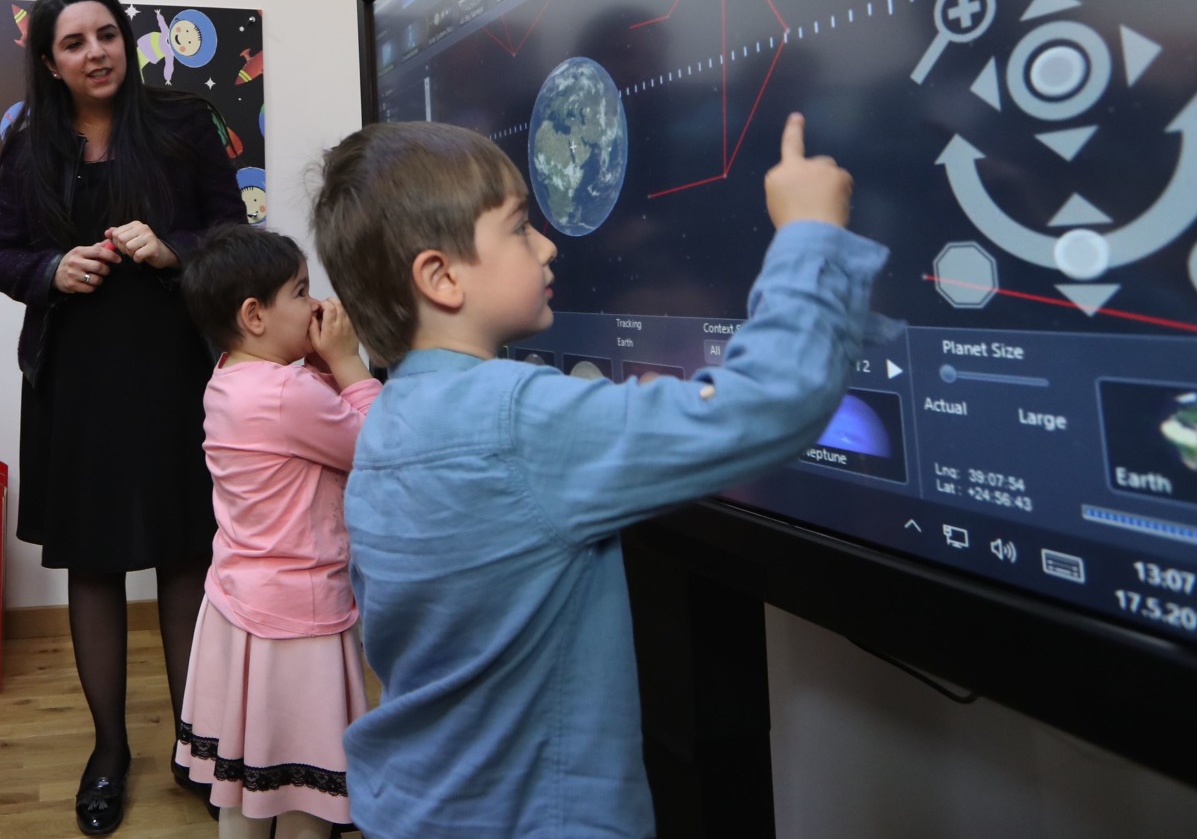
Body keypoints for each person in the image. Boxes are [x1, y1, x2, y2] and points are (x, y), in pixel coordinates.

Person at [311, 114, 889, 838]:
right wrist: (809, 234)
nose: (547, 244)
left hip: (412, 808)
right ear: (442, 277)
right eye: (520, 227)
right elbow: (775, 400)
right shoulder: (518, 421)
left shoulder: (389, 423)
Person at [0, 0, 246, 836]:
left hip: (175, 370)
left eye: (106, 34)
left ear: (126, 42)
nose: (95, 52)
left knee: (185, 554)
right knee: (92, 562)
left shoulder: (183, 122)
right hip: (74, 380)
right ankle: (108, 749)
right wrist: (49, 269)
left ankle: (194, 745)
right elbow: (1, 255)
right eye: (74, 42)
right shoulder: (27, 146)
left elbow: (233, 234)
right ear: (49, 61)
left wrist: (173, 250)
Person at [174, 224, 379, 839]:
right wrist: (347, 362)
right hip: (299, 619)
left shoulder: (227, 378)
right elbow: (380, 445)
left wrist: (316, 366)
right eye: (301, 291)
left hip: (238, 605)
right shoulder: (290, 392)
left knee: (245, 785)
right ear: (255, 315)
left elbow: (308, 424)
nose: (316, 306)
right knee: (304, 797)